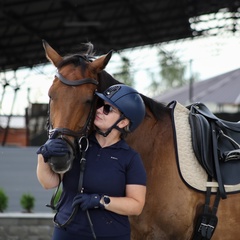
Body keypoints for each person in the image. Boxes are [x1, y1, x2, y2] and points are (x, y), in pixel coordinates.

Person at [36, 84, 147, 240]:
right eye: (100, 105)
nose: (100, 110)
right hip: (67, 231)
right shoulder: (76, 146)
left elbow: (136, 205)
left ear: (123, 122)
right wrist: (43, 154)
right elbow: (49, 183)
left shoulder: (130, 158)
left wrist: (100, 201)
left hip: (111, 235)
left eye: (108, 109)